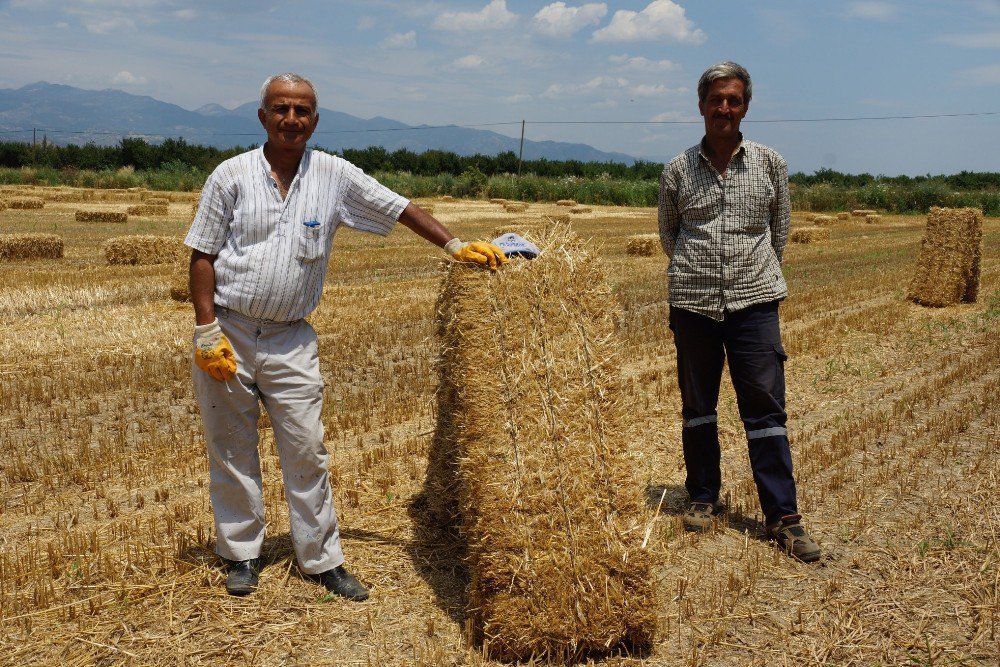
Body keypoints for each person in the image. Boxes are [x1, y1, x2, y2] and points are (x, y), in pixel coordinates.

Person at [184, 72, 507, 599]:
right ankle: (240, 554)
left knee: (307, 448)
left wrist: (453, 246)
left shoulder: (334, 175)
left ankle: (321, 558)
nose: (292, 119)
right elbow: (202, 254)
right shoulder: (230, 176)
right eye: (281, 109)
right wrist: (205, 330)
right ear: (262, 116)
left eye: (302, 111)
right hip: (231, 330)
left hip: (292, 336)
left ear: (316, 120)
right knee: (231, 447)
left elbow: (397, 207)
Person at [657, 61, 820, 562]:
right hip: (693, 304)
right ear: (701, 105)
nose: (724, 108)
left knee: (766, 410)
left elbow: (780, 232)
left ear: (745, 105)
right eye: (716, 99)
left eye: (734, 100)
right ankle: (703, 497)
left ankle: (783, 517)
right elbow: (669, 235)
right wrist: (700, 273)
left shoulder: (770, 164)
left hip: (754, 303)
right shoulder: (678, 169)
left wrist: (755, 277)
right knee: (698, 407)